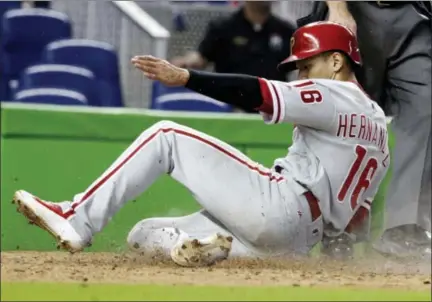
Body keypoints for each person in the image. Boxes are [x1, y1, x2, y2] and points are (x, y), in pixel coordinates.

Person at [12, 22, 390, 267]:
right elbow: (356, 222)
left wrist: (187, 77)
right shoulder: (379, 132)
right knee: (143, 234)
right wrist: (335, 267)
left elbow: (256, 91)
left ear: (337, 61)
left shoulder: (334, 94)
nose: (303, 75)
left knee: (166, 136)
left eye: (307, 65)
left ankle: (76, 218)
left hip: (282, 207)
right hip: (296, 242)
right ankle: (197, 246)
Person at [299, 1, 431, 260]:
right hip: (353, 10)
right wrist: (337, 8)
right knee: (342, 111)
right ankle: (337, 231)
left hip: (413, 15)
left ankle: (404, 230)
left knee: (426, 107)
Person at [171, 1, 296, 112]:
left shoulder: (286, 31)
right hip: (230, 107)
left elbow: (300, 65)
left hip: (273, 109)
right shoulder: (223, 27)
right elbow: (202, 57)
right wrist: (184, 63)